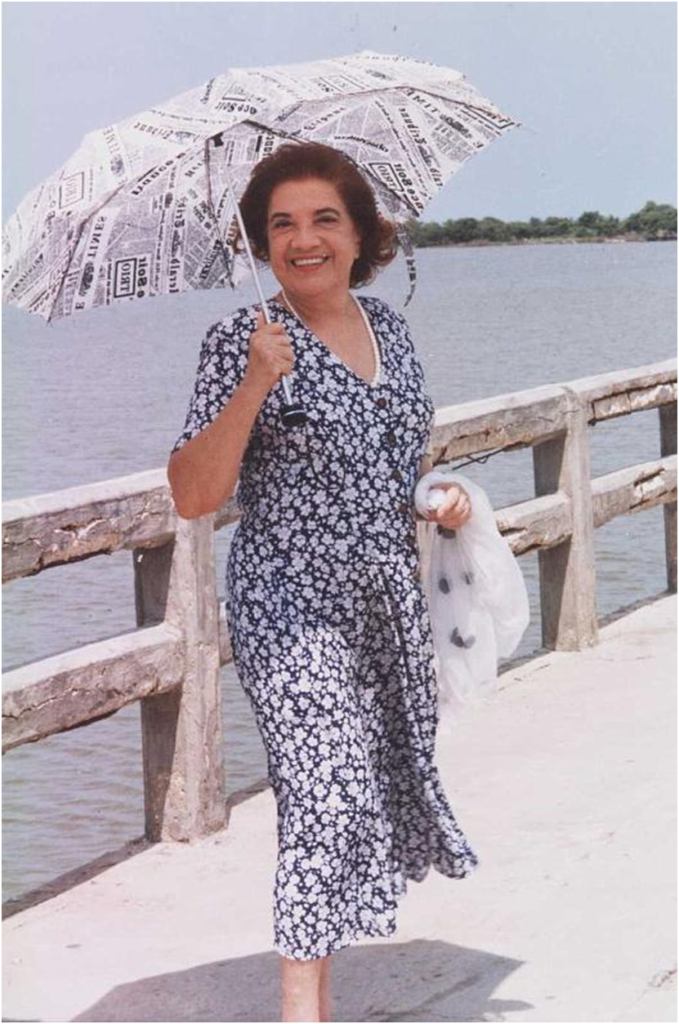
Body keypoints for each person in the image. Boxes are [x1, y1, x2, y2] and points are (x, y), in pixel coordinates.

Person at [167, 141, 477, 1024]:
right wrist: (255, 383)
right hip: (289, 604)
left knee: (363, 788)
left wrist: (436, 497)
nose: (303, 240)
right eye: (282, 225)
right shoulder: (241, 340)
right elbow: (193, 493)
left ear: (361, 233)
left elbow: (394, 462)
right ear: (262, 244)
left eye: (323, 219)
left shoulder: (390, 329)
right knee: (324, 794)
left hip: (383, 601)